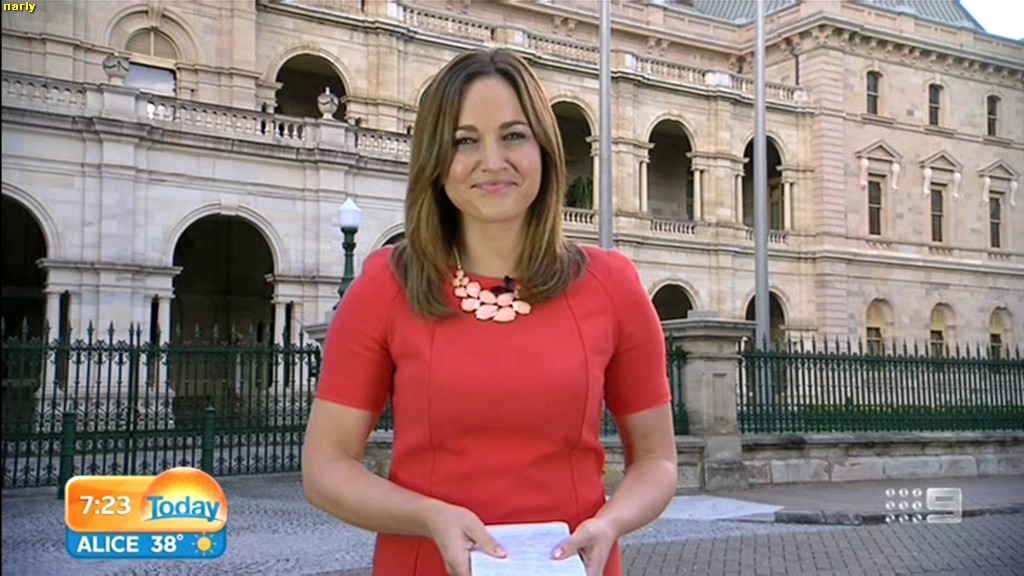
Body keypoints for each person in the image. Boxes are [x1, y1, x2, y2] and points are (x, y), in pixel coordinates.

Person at [302, 48, 678, 576]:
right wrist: (429, 516)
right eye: (465, 140)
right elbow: (325, 468)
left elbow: (658, 461)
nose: (493, 160)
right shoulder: (387, 285)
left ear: (544, 148)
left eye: (513, 135)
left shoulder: (611, 285)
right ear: (436, 159)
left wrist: (611, 522)